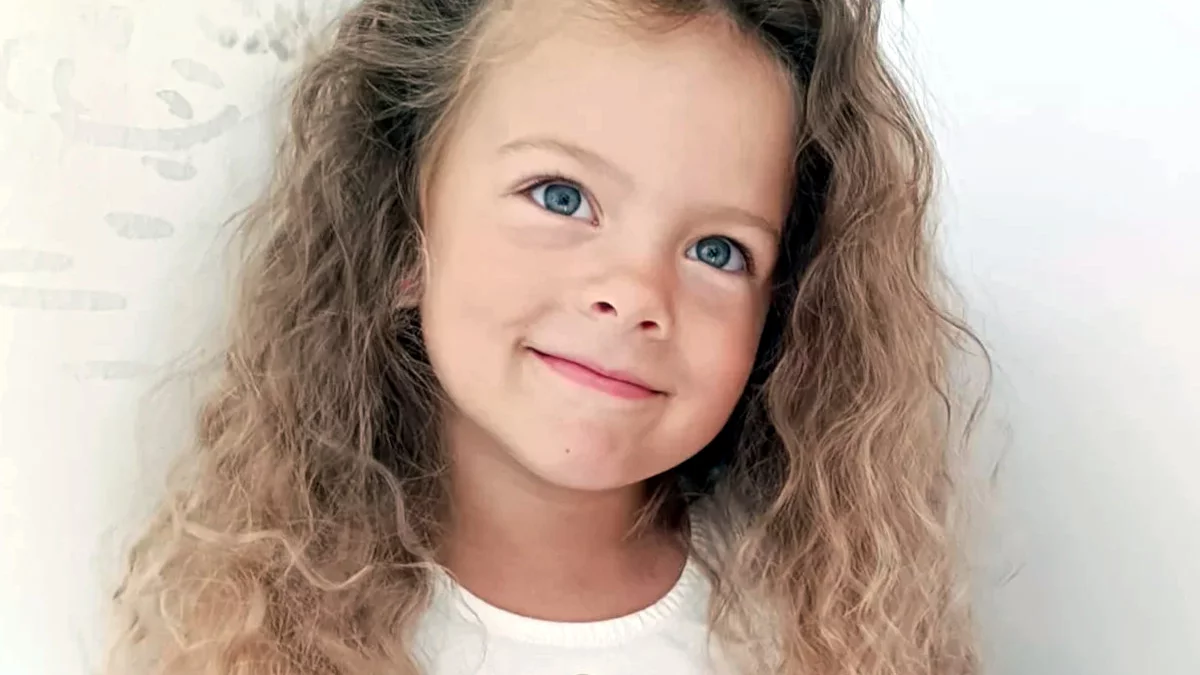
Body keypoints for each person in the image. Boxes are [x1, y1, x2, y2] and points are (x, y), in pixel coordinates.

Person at [107, 1, 985, 673]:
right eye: (561, 196)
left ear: (782, 318)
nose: (635, 295)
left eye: (718, 250)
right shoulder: (262, 627)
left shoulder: (813, 632)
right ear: (401, 233)